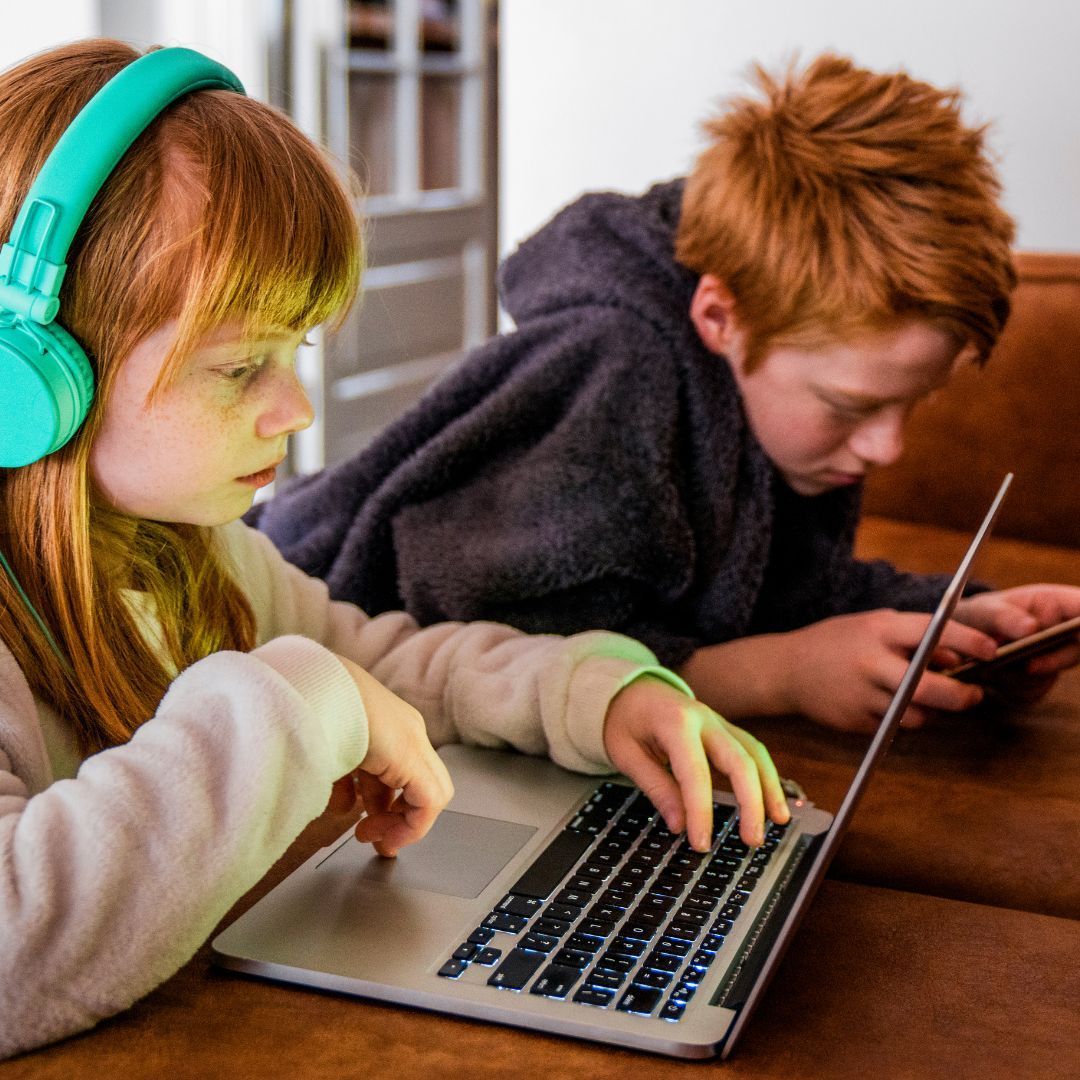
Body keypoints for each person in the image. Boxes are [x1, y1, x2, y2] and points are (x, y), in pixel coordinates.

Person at [0, 41, 791, 1059]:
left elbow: (387, 659)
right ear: (28, 379)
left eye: (299, 352)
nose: (293, 408)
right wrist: (299, 697)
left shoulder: (185, 554)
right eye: (241, 366)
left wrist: (595, 694)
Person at [253, 53, 1080, 735]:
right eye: (852, 406)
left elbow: (782, 586)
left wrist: (964, 619)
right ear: (721, 316)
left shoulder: (775, 425)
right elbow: (495, 645)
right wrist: (780, 676)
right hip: (295, 641)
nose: (886, 448)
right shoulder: (616, 373)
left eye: (914, 403)